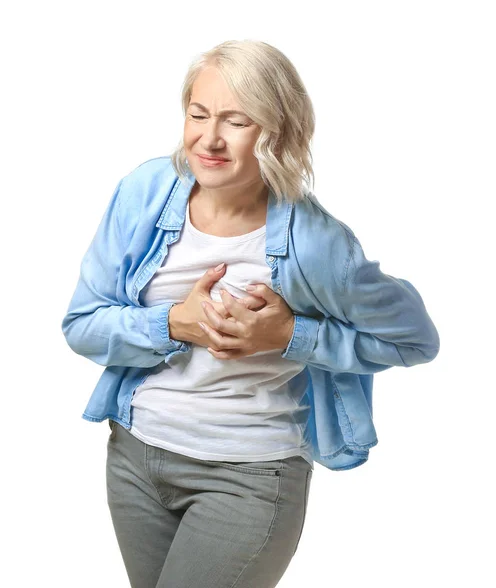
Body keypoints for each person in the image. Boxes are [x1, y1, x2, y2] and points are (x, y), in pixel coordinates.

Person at [61, 39, 440, 588]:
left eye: (236, 121)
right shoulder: (144, 192)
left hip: (250, 477)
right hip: (134, 459)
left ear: (278, 133)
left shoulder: (316, 242)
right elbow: (82, 324)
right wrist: (172, 323)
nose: (208, 139)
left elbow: (414, 340)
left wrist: (291, 334)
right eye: (198, 114)